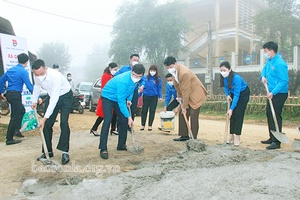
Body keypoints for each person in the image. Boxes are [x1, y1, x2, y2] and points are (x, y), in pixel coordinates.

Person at [31, 59, 73, 165]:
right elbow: (36, 87)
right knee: (47, 125)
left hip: (65, 96)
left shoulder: (55, 76)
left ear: (45, 68)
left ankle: (65, 152)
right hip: (52, 95)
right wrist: (34, 100)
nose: (39, 76)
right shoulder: (36, 75)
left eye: (41, 73)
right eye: (37, 74)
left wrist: (44, 118)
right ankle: (47, 151)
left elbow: (54, 99)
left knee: (63, 122)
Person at [99, 64, 145, 159]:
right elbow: (120, 101)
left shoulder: (136, 80)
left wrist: (129, 99)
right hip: (108, 97)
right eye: (134, 75)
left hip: (119, 97)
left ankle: (121, 145)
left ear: (142, 75)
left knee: (123, 120)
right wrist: (129, 117)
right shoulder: (123, 80)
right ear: (132, 71)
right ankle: (103, 148)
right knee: (108, 120)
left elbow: (131, 89)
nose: (136, 78)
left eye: (139, 76)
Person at [163, 56, 207, 141]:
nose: (169, 69)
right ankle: (184, 135)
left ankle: (193, 138)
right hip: (187, 94)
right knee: (182, 114)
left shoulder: (184, 73)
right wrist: (179, 98)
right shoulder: (174, 73)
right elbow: (178, 88)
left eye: (170, 67)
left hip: (196, 94)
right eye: (167, 67)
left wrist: (184, 106)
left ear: (175, 63)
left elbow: (186, 91)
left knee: (193, 114)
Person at [260, 41, 289, 150]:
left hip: (279, 93)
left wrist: (273, 92)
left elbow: (284, 81)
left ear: (271, 51)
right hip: (270, 92)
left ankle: (277, 142)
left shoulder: (280, 63)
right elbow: (263, 71)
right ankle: (272, 137)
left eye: (265, 51)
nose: (264, 53)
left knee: (275, 115)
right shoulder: (269, 61)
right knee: (269, 113)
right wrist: (262, 76)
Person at [0, 53, 33, 145]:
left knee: (21, 110)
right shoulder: (23, 71)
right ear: (27, 62)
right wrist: (36, 96)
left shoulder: (11, 70)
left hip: (10, 94)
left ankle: (16, 130)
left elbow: (1, 80)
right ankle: (9, 138)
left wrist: (2, 91)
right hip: (15, 94)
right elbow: (29, 85)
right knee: (14, 116)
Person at [220, 61, 250, 146]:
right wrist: (227, 95)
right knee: (232, 116)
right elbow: (225, 86)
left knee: (238, 114)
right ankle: (231, 135)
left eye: (224, 70)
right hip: (232, 93)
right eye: (221, 70)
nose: (223, 72)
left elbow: (237, 95)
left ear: (229, 70)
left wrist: (231, 109)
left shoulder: (236, 78)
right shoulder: (223, 77)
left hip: (242, 94)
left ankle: (237, 137)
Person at [90, 62, 119, 136]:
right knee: (103, 115)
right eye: (114, 69)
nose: (115, 71)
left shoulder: (112, 76)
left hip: (112, 97)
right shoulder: (105, 76)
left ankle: (113, 129)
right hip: (106, 98)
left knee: (114, 114)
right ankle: (94, 128)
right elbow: (105, 87)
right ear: (110, 68)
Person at [114, 54, 145, 122]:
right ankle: (121, 126)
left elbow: (143, 79)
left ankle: (130, 125)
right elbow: (116, 76)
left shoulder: (140, 69)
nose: (135, 61)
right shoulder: (124, 69)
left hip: (134, 91)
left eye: (137, 60)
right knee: (122, 108)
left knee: (133, 109)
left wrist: (142, 85)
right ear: (130, 60)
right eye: (134, 60)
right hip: (124, 91)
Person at [140, 65, 162, 131]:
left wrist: (160, 96)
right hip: (146, 96)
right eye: (151, 70)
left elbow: (159, 88)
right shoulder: (145, 78)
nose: (152, 72)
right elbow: (142, 86)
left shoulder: (158, 79)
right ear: (149, 71)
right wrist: (140, 94)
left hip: (154, 96)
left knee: (152, 111)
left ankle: (150, 125)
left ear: (156, 71)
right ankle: (142, 125)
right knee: (144, 110)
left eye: (154, 70)